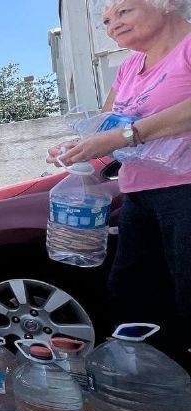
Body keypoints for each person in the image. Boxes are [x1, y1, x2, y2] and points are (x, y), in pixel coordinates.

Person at [47, 0, 191, 365]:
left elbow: (122, 133)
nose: (113, 26)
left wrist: (125, 136)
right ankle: (158, 390)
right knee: (133, 297)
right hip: (139, 196)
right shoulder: (129, 67)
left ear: (168, 4)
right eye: (107, 20)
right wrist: (78, 145)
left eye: (123, 12)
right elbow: (107, 124)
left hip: (185, 192)